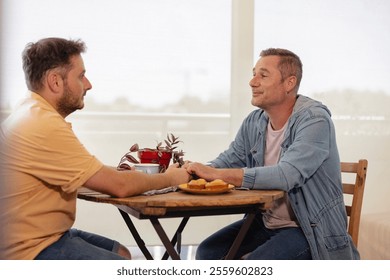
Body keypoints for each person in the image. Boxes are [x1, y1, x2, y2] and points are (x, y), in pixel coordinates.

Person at [0, 37, 190, 260]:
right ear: (55, 81)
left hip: (42, 236)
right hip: (28, 251)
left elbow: (92, 173)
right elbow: (118, 186)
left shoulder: (30, 111)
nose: (88, 84)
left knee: (122, 253)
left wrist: (127, 175)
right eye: (80, 76)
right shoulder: (42, 124)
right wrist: (172, 178)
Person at [184, 48, 359, 260]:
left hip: (309, 230)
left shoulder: (315, 120)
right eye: (253, 73)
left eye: (263, 75)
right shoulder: (255, 121)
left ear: (289, 83)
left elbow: (287, 175)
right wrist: (195, 170)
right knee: (208, 252)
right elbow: (227, 160)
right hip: (266, 222)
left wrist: (216, 174)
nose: (252, 81)